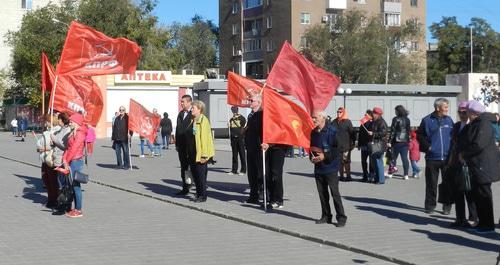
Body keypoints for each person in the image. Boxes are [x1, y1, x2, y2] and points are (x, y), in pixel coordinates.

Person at [461, 101, 500, 233]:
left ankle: (488, 225)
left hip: (483, 164)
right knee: (478, 195)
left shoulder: (483, 123)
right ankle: (482, 222)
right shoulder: (478, 123)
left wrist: (464, 154)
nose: (466, 115)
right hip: (478, 164)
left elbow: (479, 144)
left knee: (484, 195)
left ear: (473, 113)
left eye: (467, 112)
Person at [417, 98, 454, 214]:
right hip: (432, 157)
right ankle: (430, 205)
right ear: (438, 108)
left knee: (448, 183)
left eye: (447, 107)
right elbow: (420, 136)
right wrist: (428, 147)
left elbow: (453, 136)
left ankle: (447, 206)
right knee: (431, 183)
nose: (447, 109)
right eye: (445, 107)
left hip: (447, 158)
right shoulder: (427, 120)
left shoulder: (449, 120)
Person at [310, 110, 347, 227]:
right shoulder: (313, 132)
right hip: (318, 167)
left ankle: (341, 217)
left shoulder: (332, 131)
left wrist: (324, 156)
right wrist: (311, 157)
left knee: (334, 193)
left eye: (315, 117)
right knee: (322, 194)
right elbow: (312, 148)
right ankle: (326, 215)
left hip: (331, 167)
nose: (313, 120)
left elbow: (338, 148)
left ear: (323, 118)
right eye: (313, 117)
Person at [446, 101, 477, 228]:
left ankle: (473, 218)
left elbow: (475, 145)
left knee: (469, 192)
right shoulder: (457, 125)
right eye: (460, 112)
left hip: (468, 164)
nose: (462, 115)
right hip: (455, 163)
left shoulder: (473, 126)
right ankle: (460, 218)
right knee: (458, 192)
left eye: (464, 112)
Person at [62, 113, 88, 218]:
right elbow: (68, 148)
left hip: (76, 161)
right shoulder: (74, 132)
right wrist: (64, 159)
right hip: (71, 160)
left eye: (72, 121)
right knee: (72, 186)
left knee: (76, 186)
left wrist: (67, 161)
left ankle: (78, 210)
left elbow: (74, 149)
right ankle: (75, 208)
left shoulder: (80, 133)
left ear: (76, 122)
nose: (70, 123)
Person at [190, 100, 215, 202]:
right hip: (193, 152)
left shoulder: (203, 120)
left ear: (199, 109)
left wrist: (204, 155)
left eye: (193, 108)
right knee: (195, 174)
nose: (191, 109)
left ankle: (203, 196)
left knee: (201, 176)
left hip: (201, 153)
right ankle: (198, 193)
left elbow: (205, 138)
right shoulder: (193, 120)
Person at [244, 94, 264, 204]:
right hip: (250, 147)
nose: (250, 102)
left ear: (259, 102)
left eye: (252, 100)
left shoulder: (262, 114)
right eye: (250, 100)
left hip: (258, 147)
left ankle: (262, 192)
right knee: (251, 173)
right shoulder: (251, 115)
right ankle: (253, 194)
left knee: (260, 172)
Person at [36, 114, 59, 209]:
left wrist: (44, 149)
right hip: (44, 158)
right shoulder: (47, 131)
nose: (45, 123)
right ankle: (50, 199)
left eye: (47, 121)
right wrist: (39, 148)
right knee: (46, 179)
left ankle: (55, 200)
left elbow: (57, 145)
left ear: (51, 121)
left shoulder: (56, 130)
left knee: (52, 180)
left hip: (51, 158)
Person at [175, 95, 196, 195]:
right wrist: (177, 143)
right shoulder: (180, 113)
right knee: (184, 167)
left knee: (194, 168)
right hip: (181, 146)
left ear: (189, 102)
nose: (181, 103)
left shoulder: (194, 113)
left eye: (183, 101)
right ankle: (185, 188)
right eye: (181, 101)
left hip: (191, 146)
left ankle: (199, 189)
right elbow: (178, 129)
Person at [331, 107, 355, 181]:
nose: (338, 113)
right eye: (337, 112)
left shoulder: (347, 122)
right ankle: (341, 176)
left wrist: (353, 143)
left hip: (346, 146)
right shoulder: (334, 122)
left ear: (343, 113)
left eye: (340, 112)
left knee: (346, 161)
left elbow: (353, 133)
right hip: (336, 146)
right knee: (339, 162)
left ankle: (348, 176)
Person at [387, 105, 411, 180]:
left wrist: (389, 141)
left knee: (393, 158)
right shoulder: (407, 119)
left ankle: (391, 173)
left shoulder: (395, 119)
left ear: (398, 111)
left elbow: (393, 131)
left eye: (395, 111)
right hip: (405, 141)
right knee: (404, 158)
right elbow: (408, 131)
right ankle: (406, 174)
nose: (395, 112)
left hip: (396, 141)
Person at [367, 107, 388, 184]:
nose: (373, 114)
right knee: (375, 162)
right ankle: (377, 178)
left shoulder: (381, 122)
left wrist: (373, 134)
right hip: (376, 143)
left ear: (378, 114)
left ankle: (381, 180)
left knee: (378, 162)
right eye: (373, 112)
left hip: (379, 144)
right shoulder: (375, 121)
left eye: (374, 113)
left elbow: (384, 132)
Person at [228, 106, 246, 175]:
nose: (234, 111)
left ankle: (243, 170)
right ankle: (234, 170)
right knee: (234, 155)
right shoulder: (231, 119)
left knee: (242, 154)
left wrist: (241, 135)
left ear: (237, 110)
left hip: (240, 139)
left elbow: (244, 127)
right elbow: (231, 129)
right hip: (233, 139)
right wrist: (229, 126)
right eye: (232, 110)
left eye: (235, 110)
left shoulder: (242, 118)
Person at [358, 110, 374, 182]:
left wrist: (372, 133)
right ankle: (365, 175)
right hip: (364, 144)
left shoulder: (373, 123)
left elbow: (375, 133)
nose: (365, 116)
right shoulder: (363, 123)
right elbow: (360, 134)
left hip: (370, 144)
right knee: (363, 161)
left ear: (370, 116)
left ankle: (371, 175)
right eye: (365, 115)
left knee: (371, 161)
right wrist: (359, 144)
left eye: (366, 115)